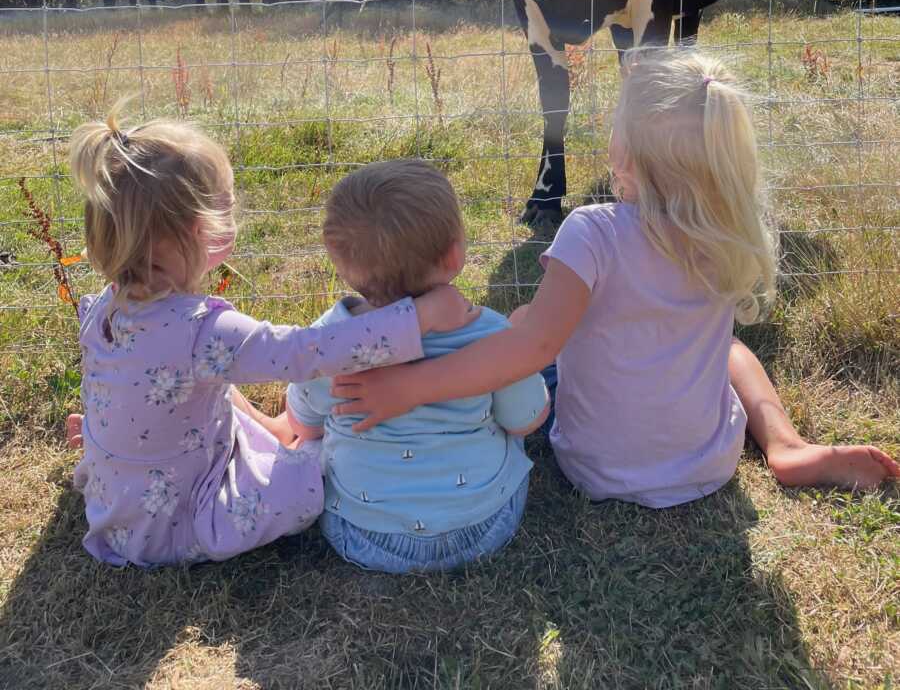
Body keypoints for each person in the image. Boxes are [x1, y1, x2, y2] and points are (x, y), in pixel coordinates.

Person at [331, 51, 900, 503]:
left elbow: (531, 349)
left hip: (595, 468)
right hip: (709, 464)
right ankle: (786, 445)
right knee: (729, 349)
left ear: (629, 146)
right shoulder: (724, 235)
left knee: (533, 333)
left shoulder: (590, 231)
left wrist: (409, 387)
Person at [64, 113, 473, 568]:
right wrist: (415, 319)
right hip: (174, 524)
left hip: (117, 505)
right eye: (227, 203)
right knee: (315, 475)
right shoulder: (202, 331)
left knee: (205, 386)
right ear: (200, 230)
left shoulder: (104, 307)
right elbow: (305, 353)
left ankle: (264, 439)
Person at [282, 159, 548, 573]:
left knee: (315, 445)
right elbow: (526, 422)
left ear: (342, 265)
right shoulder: (492, 336)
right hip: (483, 526)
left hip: (362, 533)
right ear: (455, 255)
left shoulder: (330, 340)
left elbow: (304, 425)